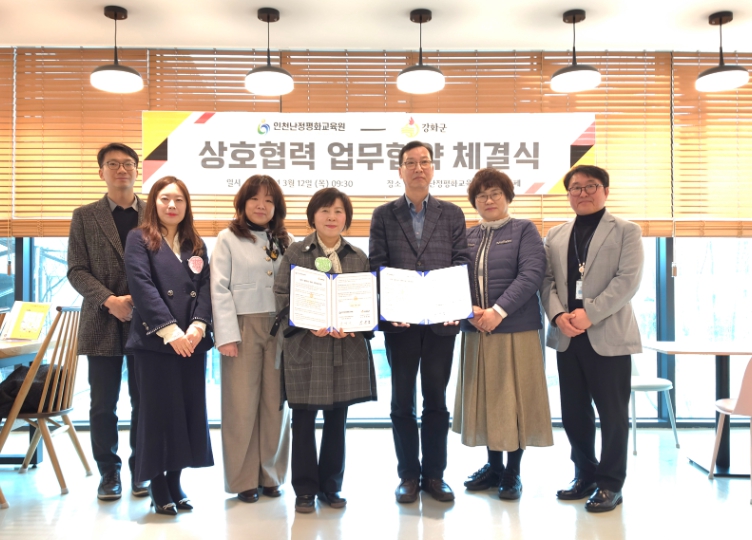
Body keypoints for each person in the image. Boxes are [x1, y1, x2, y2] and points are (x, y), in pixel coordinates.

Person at [369, 141, 470, 503]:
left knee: (436, 400)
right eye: (410, 163)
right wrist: (392, 305)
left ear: (433, 169)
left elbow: (461, 261)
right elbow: (377, 263)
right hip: (401, 324)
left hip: (442, 322)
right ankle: (408, 475)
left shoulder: (452, 213)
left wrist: (454, 303)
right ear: (400, 171)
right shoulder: (384, 214)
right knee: (401, 401)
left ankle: (435, 476)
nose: (418, 168)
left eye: (424, 162)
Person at [540, 165, 643, 513]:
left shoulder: (626, 231)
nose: (583, 193)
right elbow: (546, 282)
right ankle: (584, 474)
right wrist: (558, 316)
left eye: (591, 186)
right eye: (576, 188)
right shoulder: (555, 234)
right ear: (568, 194)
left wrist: (590, 313)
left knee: (613, 414)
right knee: (574, 413)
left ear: (605, 191)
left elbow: (627, 281)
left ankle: (611, 484)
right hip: (568, 335)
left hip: (608, 334)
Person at [274, 188, 377, 514]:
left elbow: (368, 300)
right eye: (325, 211)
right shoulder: (296, 252)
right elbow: (281, 295)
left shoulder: (358, 256)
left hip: (345, 349)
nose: (332, 217)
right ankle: (305, 490)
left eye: (338, 211)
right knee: (303, 421)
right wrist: (307, 322)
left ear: (346, 217)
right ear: (313, 216)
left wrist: (355, 325)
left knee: (337, 421)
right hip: (306, 347)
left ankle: (332, 486)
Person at [453, 168, 553, 500]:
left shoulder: (524, 229)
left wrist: (497, 311)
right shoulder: (467, 236)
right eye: (481, 195)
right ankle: (493, 466)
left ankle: (513, 472)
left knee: (515, 399)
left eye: (495, 193)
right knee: (487, 399)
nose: (489, 200)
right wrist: (471, 311)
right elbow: (453, 278)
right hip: (477, 329)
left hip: (515, 328)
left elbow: (531, 274)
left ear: (508, 197)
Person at [124, 176, 214, 515]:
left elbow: (205, 288)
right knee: (158, 414)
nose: (172, 205)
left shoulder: (196, 243)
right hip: (157, 341)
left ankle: (175, 482)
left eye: (179, 199)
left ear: (187, 205)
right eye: (165, 199)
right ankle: (158, 485)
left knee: (186, 412)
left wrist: (198, 326)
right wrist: (171, 332)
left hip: (192, 341)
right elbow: (142, 285)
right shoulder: (139, 238)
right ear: (154, 203)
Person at [67, 142, 148, 500]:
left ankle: (142, 469)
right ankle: (109, 473)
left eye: (128, 163)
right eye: (113, 164)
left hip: (147, 321)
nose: (121, 169)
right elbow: (76, 269)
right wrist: (110, 301)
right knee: (102, 405)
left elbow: (167, 266)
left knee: (145, 401)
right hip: (101, 320)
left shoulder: (154, 213)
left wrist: (138, 300)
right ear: (101, 172)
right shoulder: (84, 216)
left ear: (136, 170)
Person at [210, 175, 292, 503]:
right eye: (255, 199)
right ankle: (243, 479)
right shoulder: (227, 238)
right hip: (242, 328)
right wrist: (226, 336)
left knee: (276, 405)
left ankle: (270, 475)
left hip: (281, 329)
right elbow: (218, 289)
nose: (261, 205)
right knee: (240, 405)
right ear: (243, 203)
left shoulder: (287, 240)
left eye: (269, 200)